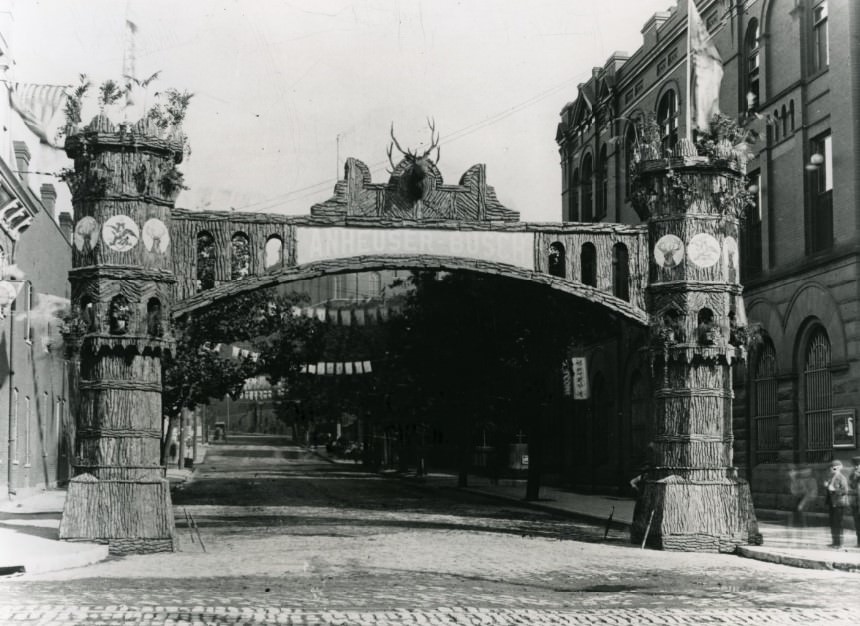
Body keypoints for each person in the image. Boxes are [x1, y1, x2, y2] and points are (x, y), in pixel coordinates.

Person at [823, 458, 849, 548]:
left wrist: (834, 490)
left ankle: (839, 543)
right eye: (831, 468)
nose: (832, 469)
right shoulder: (831, 478)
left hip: (839, 503)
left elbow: (845, 490)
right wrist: (827, 486)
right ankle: (834, 542)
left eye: (834, 468)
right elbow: (829, 490)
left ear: (839, 468)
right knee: (832, 523)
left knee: (838, 523)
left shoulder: (841, 478)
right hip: (832, 503)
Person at [849, 456, 860, 547]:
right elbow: (851, 486)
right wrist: (855, 477)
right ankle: (859, 542)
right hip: (856, 503)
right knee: (857, 523)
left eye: (858, 464)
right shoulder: (853, 475)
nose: (856, 467)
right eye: (855, 465)